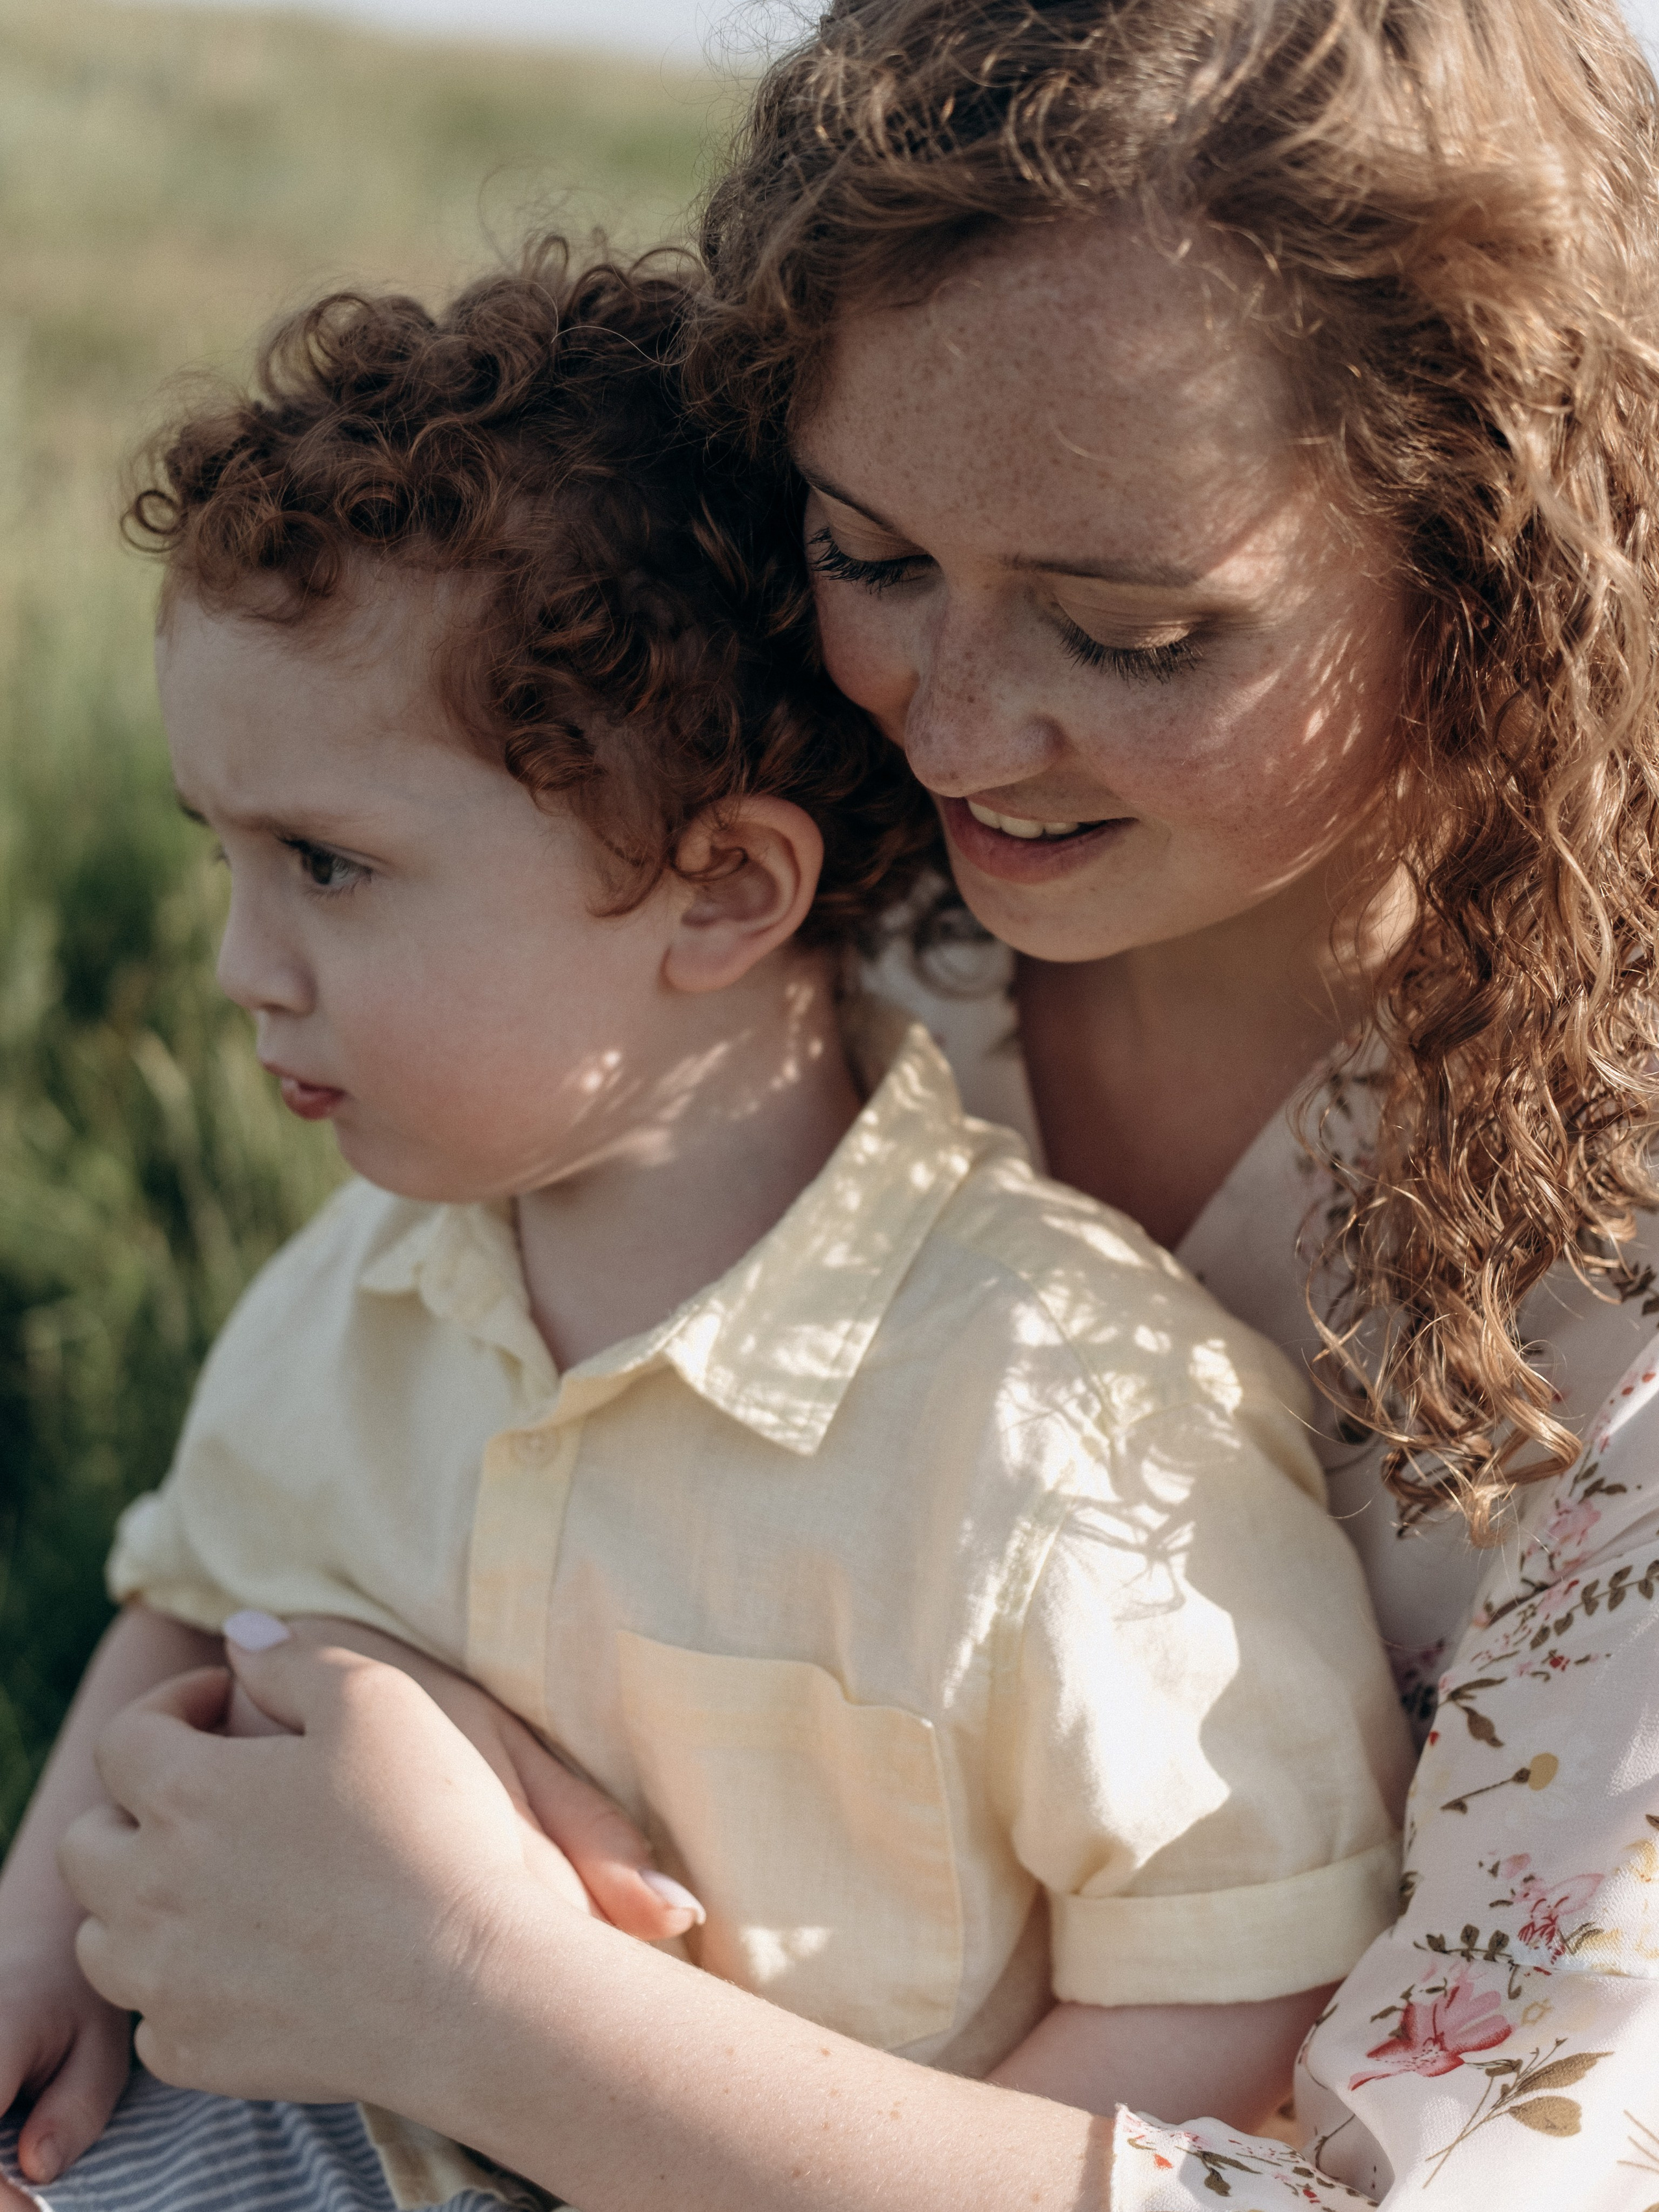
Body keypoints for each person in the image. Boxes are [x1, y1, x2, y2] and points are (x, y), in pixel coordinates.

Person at [27, 0, 1659, 2204]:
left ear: (1505, 580)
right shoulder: (789, 915)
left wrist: (492, 2002)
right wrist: (341, 1687)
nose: (950, 728)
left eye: (1134, 633)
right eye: (869, 555)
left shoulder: (1620, 1291)